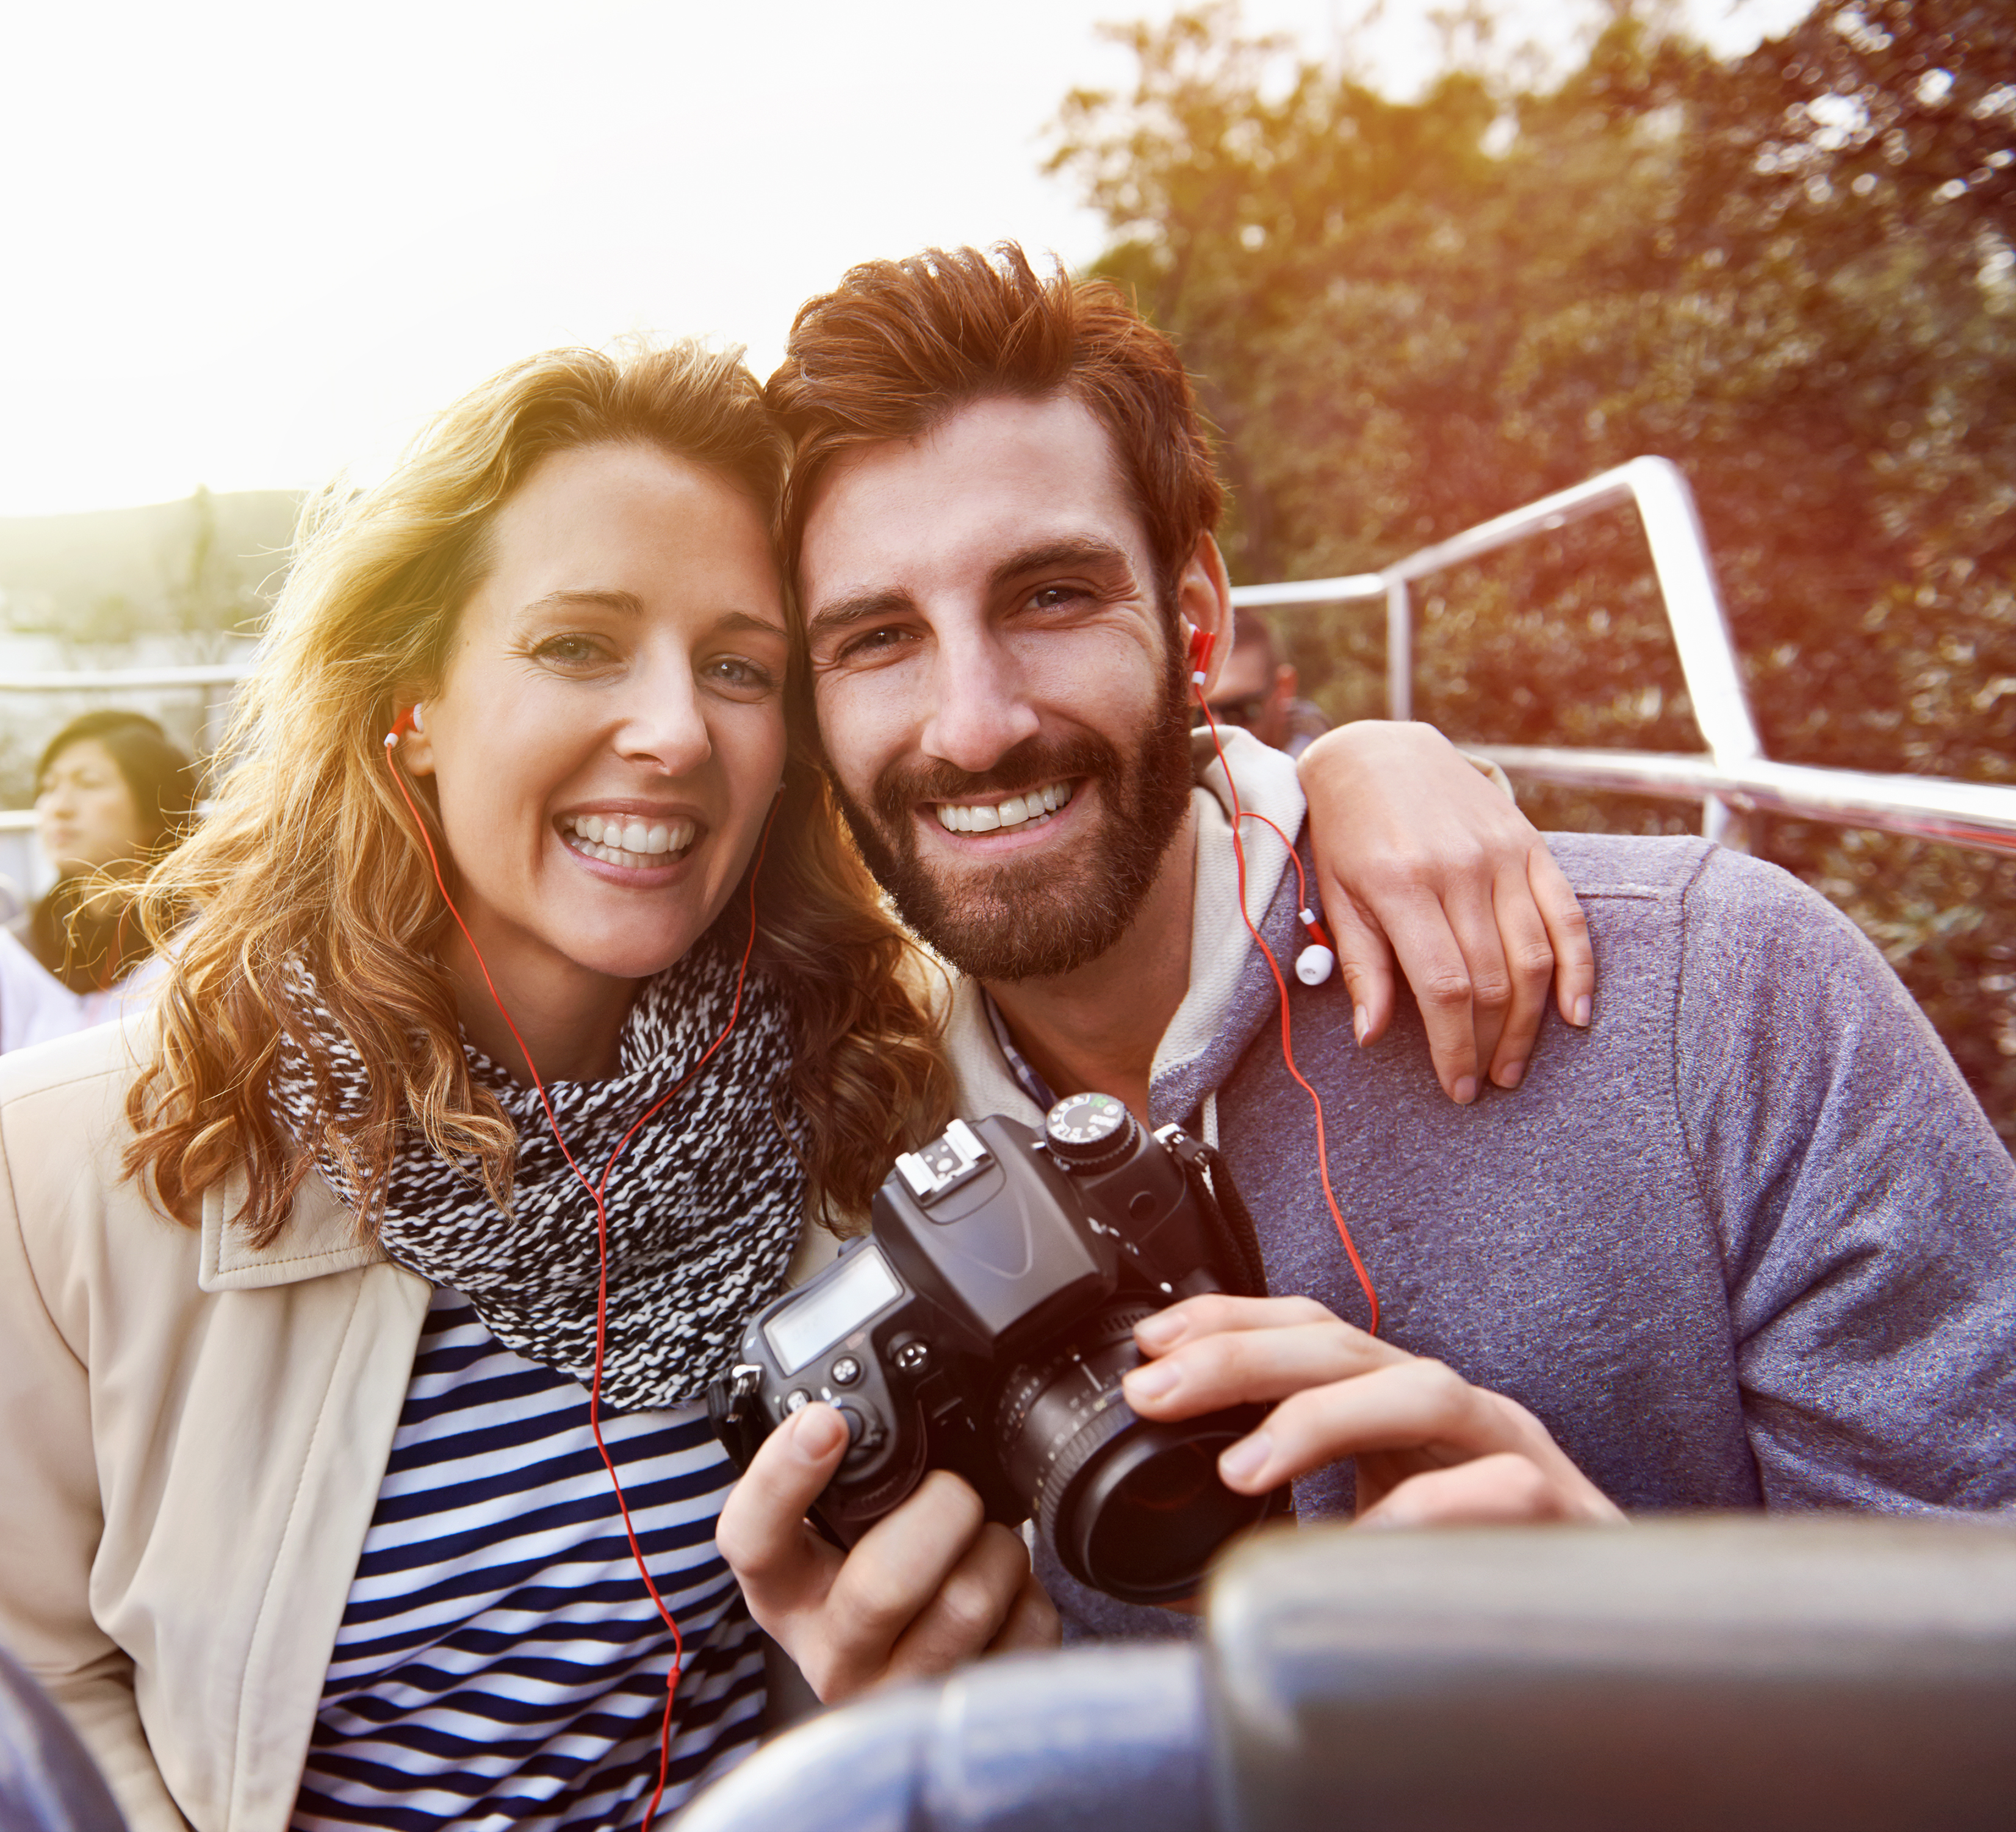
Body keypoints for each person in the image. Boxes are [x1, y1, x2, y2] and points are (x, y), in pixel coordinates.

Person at [0, 341, 1594, 1832]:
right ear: (410, 697)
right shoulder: (66, 1160)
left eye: (737, 667)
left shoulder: (868, 1071)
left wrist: (1363, 769)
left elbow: (1112, 836)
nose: (672, 731)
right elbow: (7, 1689)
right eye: (579, 644)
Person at [718, 244, 2016, 1682]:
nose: (973, 724)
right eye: (878, 638)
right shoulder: (832, 1168)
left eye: (1050, 596)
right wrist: (920, 1747)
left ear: (1196, 622)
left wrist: (1656, 1670)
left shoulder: (1718, 997)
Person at [0, 710, 200, 1053]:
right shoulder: (15, 951)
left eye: (88, 783)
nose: (59, 807)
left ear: (156, 806)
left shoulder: (201, 943)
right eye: (48, 787)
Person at [1207, 608, 1330, 755]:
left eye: (1236, 711)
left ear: (1284, 689)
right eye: (1197, 715)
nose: (1213, 731)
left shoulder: (1332, 763)